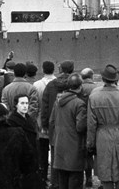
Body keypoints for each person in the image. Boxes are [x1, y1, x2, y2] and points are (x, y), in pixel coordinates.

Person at [87, 65, 119, 189]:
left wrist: (90, 143)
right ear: (116, 79)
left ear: (103, 79)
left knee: (105, 171)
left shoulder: (94, 98)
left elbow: (91, 124)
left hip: (102, 135)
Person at [49, 74, 87, 189]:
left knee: (62, 182)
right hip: (74, 148)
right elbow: (80, 127)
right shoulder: (79, 104)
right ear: (80, 86)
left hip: (60, 146)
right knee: (75, 181)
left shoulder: (57, 102)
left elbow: (51, 122)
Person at [41, 60, 74, 189]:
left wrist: (44, 125)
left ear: (60, 70)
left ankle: (55, 182)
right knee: (73, 153)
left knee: (55, 154)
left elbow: (45, 106)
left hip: (54, 124)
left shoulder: (50, 85)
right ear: (72, 70)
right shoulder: (75, 83)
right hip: (72, 124)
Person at [7, 94, 41, 189]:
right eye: (22, 103)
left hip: (31, 157)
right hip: (21, 159)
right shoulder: (12, 121)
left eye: (26, 103)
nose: (25, 106)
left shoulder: (28, 118)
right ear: (16, 105)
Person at [32, 60, 55, 185]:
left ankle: (43, 176)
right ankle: (56, 178)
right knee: (55, 150)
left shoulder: (36, 85)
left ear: (43, 69)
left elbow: (35, 105)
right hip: (57, 121)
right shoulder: (59, 83)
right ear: (54, 69)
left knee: (42, 151)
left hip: (41, 121)